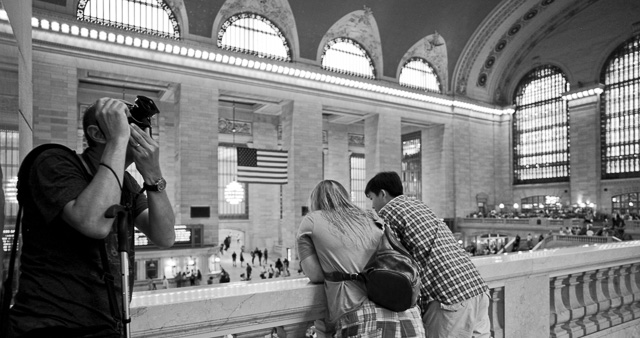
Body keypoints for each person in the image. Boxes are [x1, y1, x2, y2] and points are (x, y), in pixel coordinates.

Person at [7, 97, 176, 337]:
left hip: (106, 325)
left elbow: (166, 236)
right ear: (97, 134)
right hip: (49, 324)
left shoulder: (126, 183)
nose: (141, 135)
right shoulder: (54, 162)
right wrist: (118, 140)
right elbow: (94, 223)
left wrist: (153, 174)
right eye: (126, 124)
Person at [365, 172, 488, 337]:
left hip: (449, 298)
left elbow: (385, 257)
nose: (372, 206)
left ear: (382, 193)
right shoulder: (418, 204)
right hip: (477, 289)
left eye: (371, 198)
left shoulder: (388, 213)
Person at [297, 180, 424, 337]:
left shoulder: (311, 220)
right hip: (407, 315)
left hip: (363, 317)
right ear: (345, 197)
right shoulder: (372, 217)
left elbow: (315, 274)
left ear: (315, 201)